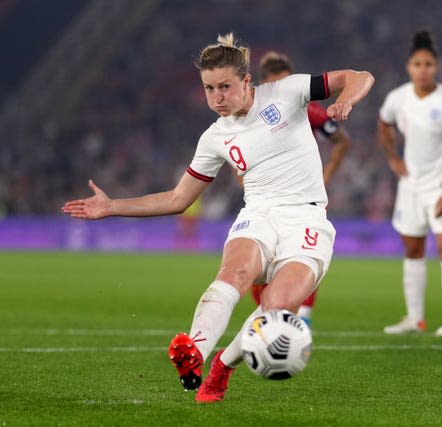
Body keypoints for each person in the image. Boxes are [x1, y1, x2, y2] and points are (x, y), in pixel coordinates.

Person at [61, 33, 374, 402]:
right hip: (257, 214)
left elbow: (360, 75)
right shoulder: (214, 139)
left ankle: (222, 368)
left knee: (277, 308)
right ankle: (194, 350)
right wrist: (113, 206)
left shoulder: (287, 92)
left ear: (246, 81)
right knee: (234, 272)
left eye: (224, 86)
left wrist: (345, 101)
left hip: (307, 220)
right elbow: (178, 198)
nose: (217, 97)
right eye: (209, 89)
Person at [248, 51, 352, 326]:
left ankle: (301, 318)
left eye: (286, 83)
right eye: (275, 84)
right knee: (261, 257)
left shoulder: (310, 111)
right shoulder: (251, 114)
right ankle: (267, 316)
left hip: (304, 197)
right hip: (267, 197)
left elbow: (342, 141)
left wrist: (324, 175)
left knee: (305, 253)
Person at [378, 30, 442, 337]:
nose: (423, 69)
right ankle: (415, 320)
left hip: (441, 184)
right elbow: (384, 122)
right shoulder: (397, 98)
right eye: (418, 64)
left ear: (436, 66)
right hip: (410, 185)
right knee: (413, 249)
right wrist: (392, 157)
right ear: (409, 66)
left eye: (428, 64)